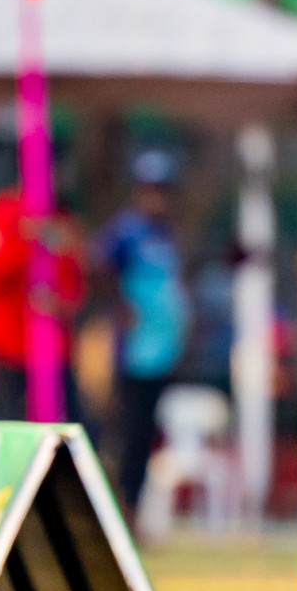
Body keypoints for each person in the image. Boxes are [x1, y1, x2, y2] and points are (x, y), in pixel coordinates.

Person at [93, 150, 190, 517]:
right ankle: (120, 510)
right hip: (133, 352)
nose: (158, 197)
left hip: (164, 351)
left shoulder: (167, 233)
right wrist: (118, 307)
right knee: (128, 434)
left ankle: (133, 508)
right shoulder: (126, 230)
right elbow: (98, 263)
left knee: (147, 434)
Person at [0, 186, 86, 420]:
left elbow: (75, 286)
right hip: (8, 350)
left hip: (55, 351)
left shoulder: (62, 219)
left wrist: (60, 302)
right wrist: (27, 241)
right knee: (9, 424)